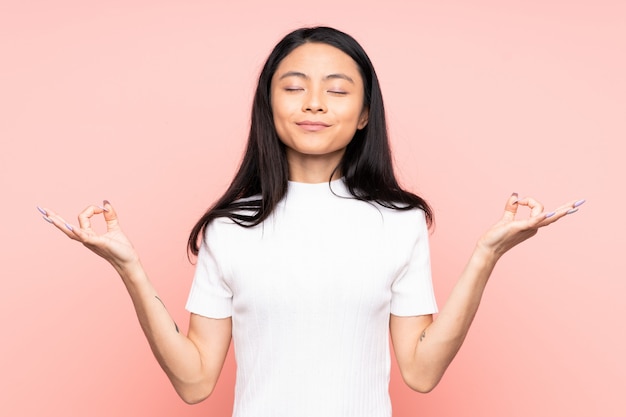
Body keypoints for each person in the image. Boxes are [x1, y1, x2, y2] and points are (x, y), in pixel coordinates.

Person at [38, 26, 584, 417]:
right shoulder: (230, 228)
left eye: (339, 90)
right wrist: (128, 267)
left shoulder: (400, 221)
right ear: (269, 106)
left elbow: (420, 372)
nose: (315, 103)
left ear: (365, 112)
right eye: (294, 86)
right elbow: (195, 381)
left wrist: (487, 254)